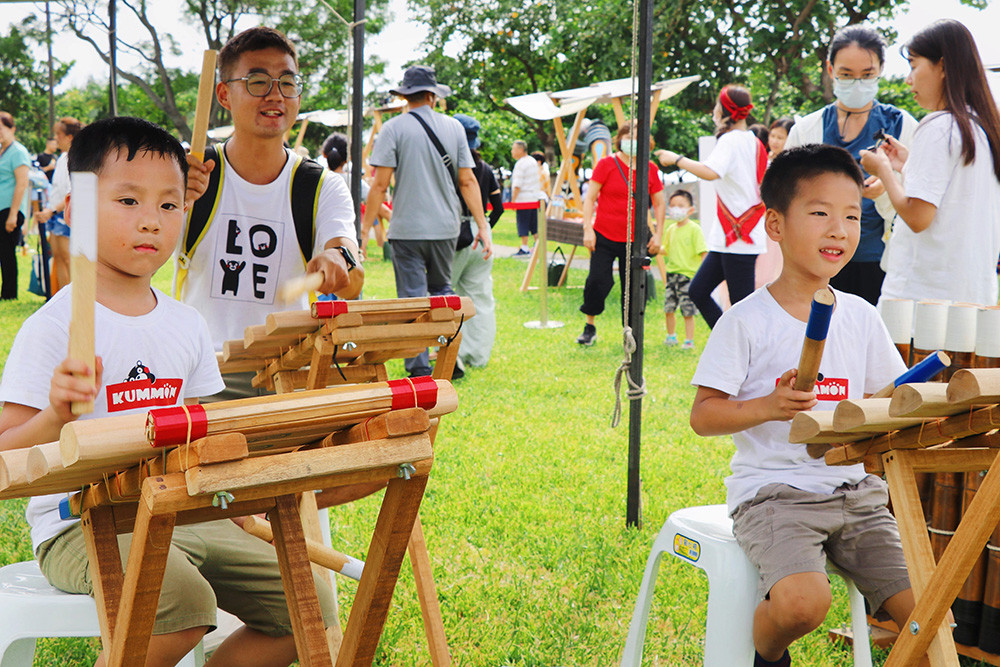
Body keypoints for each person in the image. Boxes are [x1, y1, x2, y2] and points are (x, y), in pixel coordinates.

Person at [0, 116, 337, 667]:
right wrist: (57, 416)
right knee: (183, 603)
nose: (151, 222)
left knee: (307, 607)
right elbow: (6, 457)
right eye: (128, 201)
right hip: (81, 524)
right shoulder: (56, 325)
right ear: (78, 208)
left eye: (169, 205)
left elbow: (197, 436)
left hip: (181, 512)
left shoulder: (186, 325)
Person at [690, 144, 919, 667]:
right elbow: (703, 416)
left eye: (851, 216)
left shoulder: (861, 315)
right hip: (774, 495)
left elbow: (887, 399)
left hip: (856, 491)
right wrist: (770, 405)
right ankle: (765, 654)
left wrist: (885, 416)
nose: (838, 229)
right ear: (775, 224)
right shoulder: (745, 320)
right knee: (803, 605)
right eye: (819, 213)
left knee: (925, 610)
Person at [182, 27, 363, 398]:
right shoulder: (192, 174)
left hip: (288, 368)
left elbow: (352, 273)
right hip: (202, 370)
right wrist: (171, 203)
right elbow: (130, 262)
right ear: (223, 95)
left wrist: (336, 257)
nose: (275, 95)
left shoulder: (321, 186)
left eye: (287, 82)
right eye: (257, 81)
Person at [363, 65, 492, 377]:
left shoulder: (393, 129)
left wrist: (364, 231)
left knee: (413, 298)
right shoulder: (454, 128)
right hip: (446, 229)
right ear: (433, 96)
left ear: (406, 97)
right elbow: (468, 182)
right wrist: (483, 226)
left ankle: (419, 367)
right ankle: (451, 355)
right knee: (441, 289)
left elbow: (379, 185)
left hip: (406, 230)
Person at [861, 19, 1000, 307]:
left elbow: (917, 217)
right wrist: (907, 164)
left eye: (913, 65)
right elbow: (955, 197)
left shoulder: (938, 126)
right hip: (971, 298)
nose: (908, 79)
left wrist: (883, 171)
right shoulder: (982, 128)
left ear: (943, 66)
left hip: (921, 302)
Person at [784, 25, 918, 306]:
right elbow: (787, 198)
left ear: (881, 69)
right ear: (830, 70)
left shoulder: (901, 125)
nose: (857, 83)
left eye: (867, 75)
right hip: (820, 261)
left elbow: (919, 200)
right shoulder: (807, 130)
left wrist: (887, 187)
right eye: (846, 75)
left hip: (881, 262)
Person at [656, 85, 768, 328]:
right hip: (730, 237)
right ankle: (726, 340)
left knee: (741, 308)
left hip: (739, 237)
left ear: (726, 112)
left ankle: (748, 355)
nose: (714, 112)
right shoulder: (752, 141)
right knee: (698, 291)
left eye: (717, 107)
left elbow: (710, 172)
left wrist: (677, 159)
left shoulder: (731, 140)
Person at [577, 121, 666, 346]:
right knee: (598, 281)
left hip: (635, 239)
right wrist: (588, 229)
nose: (632, 141)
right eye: (629, 135)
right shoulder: (607, 163)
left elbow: (659, 203)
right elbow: (589, 198)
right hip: (604, 234)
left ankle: (630, 333)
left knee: (634, 288)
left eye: (638, 136)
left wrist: (658, 234)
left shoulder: (650, 168)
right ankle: (590, 326)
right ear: (620, 138)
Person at [450, 113, 504, 372]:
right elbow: (500, 207)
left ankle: (448, 354)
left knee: (443, 294)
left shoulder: (451, 165)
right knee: (481, 298)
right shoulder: (486, 169)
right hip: (482, 235)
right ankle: (478, 357)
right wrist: (486, 228)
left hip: (455, 231)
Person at [321, 132, 391, 259]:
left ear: (324, 154)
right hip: (349, 238)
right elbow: (379, 205)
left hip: (321, 239)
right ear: (348, 158)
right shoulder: (353, 181)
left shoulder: (318, 179)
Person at [36, 117, 84, 292]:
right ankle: (63, 301)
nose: (56, 138)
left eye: (59, 134)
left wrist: (52, 210)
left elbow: (74, 191)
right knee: (59, 259)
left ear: (69, 137)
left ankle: (73, 302)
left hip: (66, 215)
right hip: (55, 214)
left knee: (68, 261)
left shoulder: (78, 157)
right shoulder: (63, 157)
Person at [661, 189, 707, 350]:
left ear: (690, 210)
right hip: (671, 275)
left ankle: (689, 340)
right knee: (669, 308)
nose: (675, 209)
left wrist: (701, 276)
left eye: (680, 205)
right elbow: (664, 249)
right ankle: (671, 336)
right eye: (672, 205)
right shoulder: (671, 229)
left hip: (688, 276)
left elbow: (703, 253)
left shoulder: (695, 229)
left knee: (687, 311)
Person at [0, 111, 30, 300]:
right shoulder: (2, 151)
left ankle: (9, 294)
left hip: (10, 209)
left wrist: (13, 214)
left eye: (1, 129)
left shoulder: (18, 151)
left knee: (7, 252)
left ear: (12, 129)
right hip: (1, 208)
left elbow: (22, 183)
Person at [510, 139, 543, 256]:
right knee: (534, 225)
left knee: (523, 223)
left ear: (520, 150)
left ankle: (524, 247)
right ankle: (539, 246)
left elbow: (517, 185)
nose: (512, 152)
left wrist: (513, 200)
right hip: (534, 198)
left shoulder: (520, 163)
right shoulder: (533, 161)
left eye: (513, 149)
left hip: (523, 198)